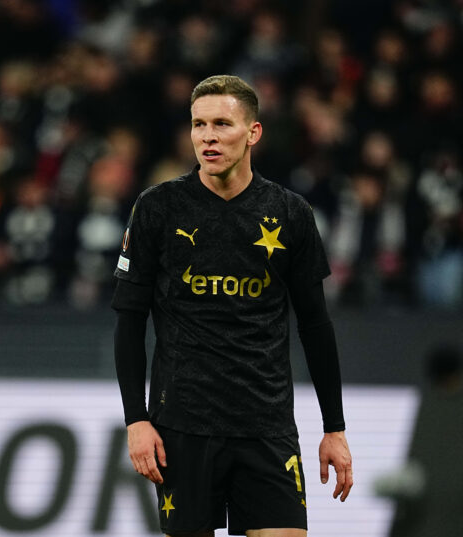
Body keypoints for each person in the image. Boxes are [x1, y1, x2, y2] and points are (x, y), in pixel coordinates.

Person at [112, 74, 353, 537]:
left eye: (222, 123)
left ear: (253, 132)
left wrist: (334, 427)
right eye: (199, 124)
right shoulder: (158, 208)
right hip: (183, 425)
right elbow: (128, 322)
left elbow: (316, 326)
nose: (208, 136)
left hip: (266, 424)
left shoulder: (290, 214)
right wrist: (136, 420)